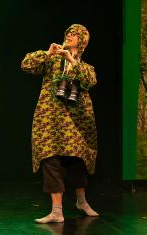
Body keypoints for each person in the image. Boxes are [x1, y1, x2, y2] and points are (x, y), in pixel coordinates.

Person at [21, 24, 99, 224]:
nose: (70, 36)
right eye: (68, 33)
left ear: (82, 41)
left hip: (76, 121)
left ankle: (81, 201)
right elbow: (26, 64)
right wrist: (48, 53)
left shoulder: (85, 67)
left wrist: (73, 61)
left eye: (75, 35)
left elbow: (90, 81)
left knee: (76, 160)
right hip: (49, 120)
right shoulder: (53, 61)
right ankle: (56, 210)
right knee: (50, 159)